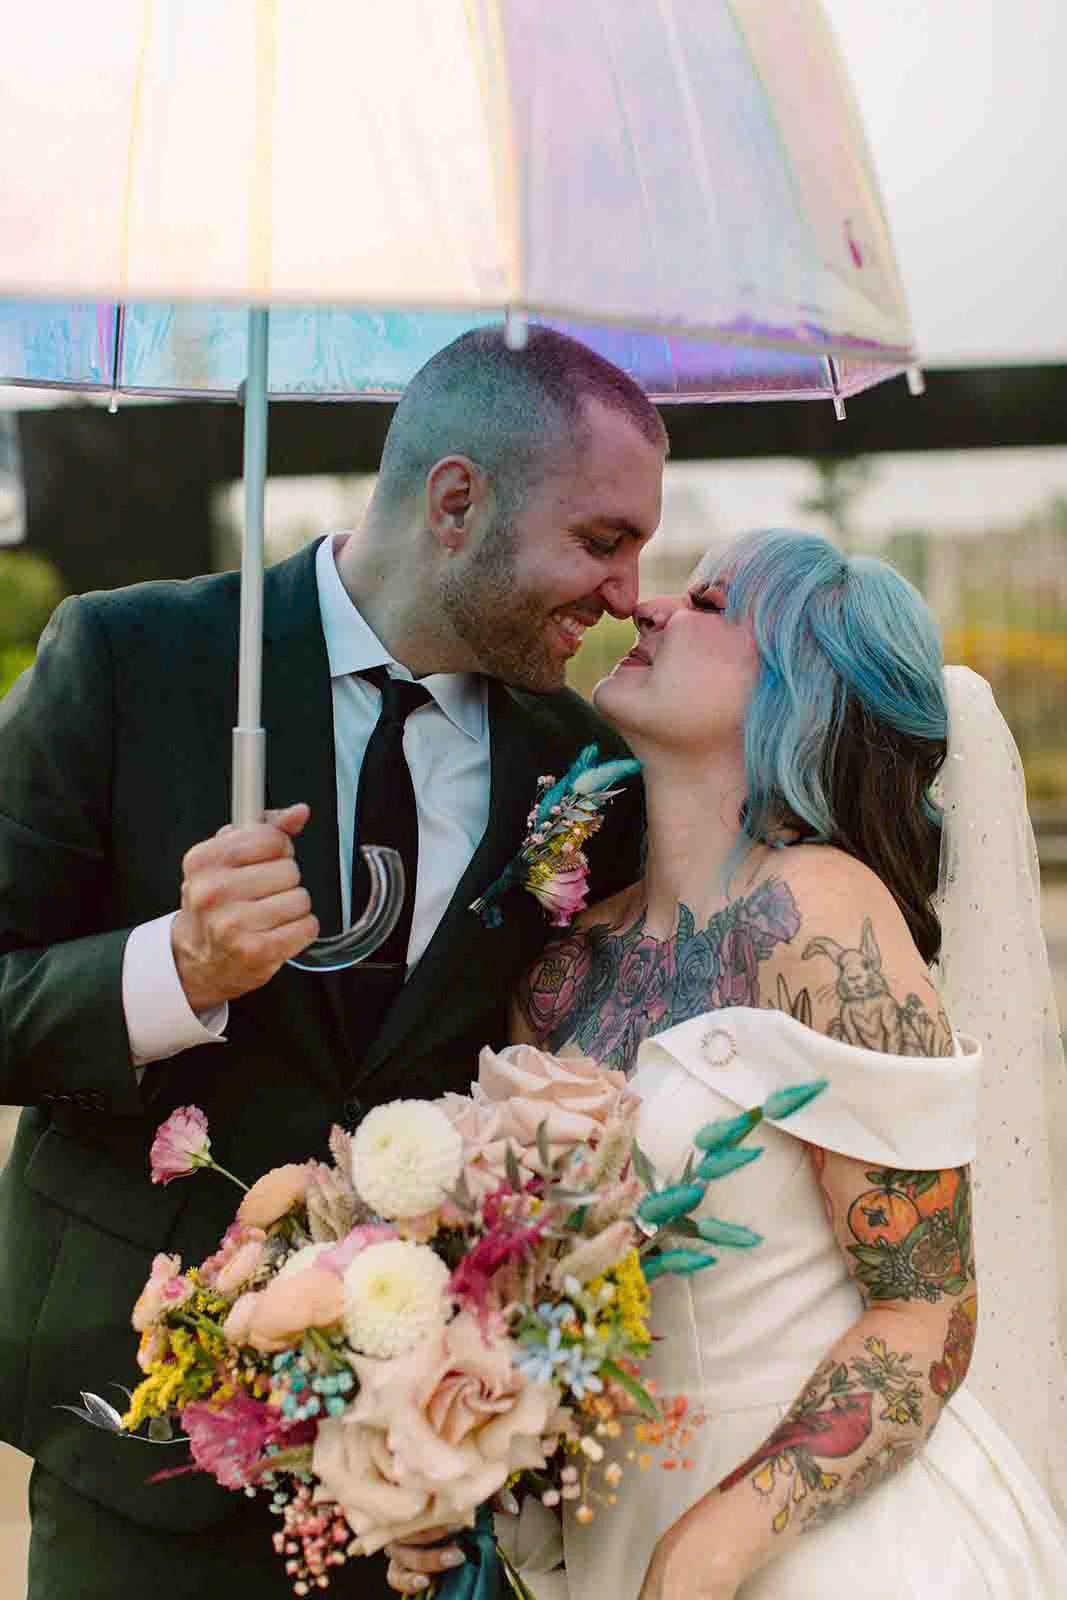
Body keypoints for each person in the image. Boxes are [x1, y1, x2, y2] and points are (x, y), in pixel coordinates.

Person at [0, 325, 667, 1599]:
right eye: (600, 540)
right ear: (456, 501)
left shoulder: (584, 769)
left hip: (426, 1468)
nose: (628, 593)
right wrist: (174, 970)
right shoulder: (129, 662)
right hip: (139, 1438)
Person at [388, 528, 1067, 1597]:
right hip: (610, 1534)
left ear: (800, 689)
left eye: (708, 603)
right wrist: (452, 1474)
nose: (647, 606)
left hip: (826, 1545)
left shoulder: (820, 914)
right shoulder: (558, 968)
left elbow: (926, 1315)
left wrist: (706, 1553)